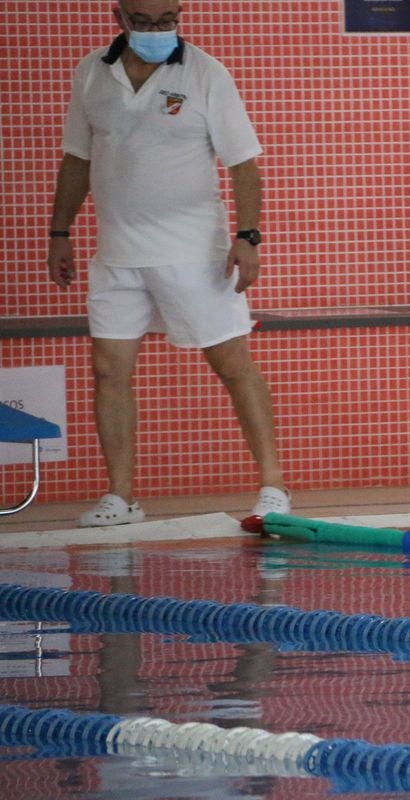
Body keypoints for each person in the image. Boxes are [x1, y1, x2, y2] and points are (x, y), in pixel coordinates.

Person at [45, 1, 289, 527]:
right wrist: (59, 232)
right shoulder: (92, 72)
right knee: (109, 370)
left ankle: (272, 485)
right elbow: (76, 159)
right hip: (116, 253)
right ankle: (122, 496)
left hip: (193, 250)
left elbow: (244, 164)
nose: (158, 31)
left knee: (231, 363)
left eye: (167, 20)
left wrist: (248, 237)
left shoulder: (205, 73)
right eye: (145, 21)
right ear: (119, 17)